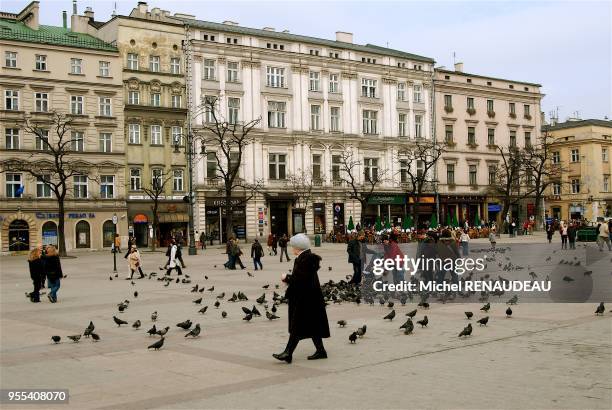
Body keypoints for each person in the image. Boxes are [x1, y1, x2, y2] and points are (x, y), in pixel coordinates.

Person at [273, 234, 330, 363]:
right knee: (312, 326)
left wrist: (286, 278)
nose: (291, 249)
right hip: (310, 298)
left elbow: (301, 279)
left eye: (292, 246)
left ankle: (288, 353)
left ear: (298, 247)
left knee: (297, 326)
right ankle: (321, 351)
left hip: (306, 299)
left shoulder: (305, 260)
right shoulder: (305, 258)